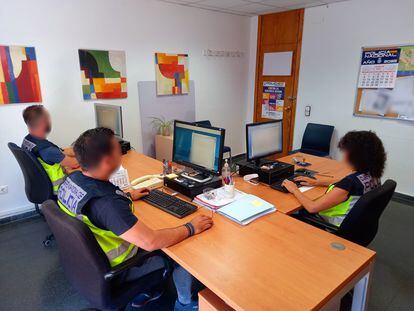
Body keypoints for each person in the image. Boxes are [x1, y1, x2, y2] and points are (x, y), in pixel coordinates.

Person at [57, 127, 213, 310]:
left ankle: (149, 291)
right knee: (180, 250)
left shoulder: (73, 179)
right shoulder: (107, 204)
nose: (122, 152)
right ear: (107, 160)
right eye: (118, 149)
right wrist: (190, 227)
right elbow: (151, 242)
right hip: (120, 268)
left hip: (87, 263)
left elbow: (96, 208)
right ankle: (184, 303)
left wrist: (126, 196)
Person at [282, 130, 386, 226]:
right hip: (358, 224)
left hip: (333, 224)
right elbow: (344, 183)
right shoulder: (372, 174)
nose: (343, 155)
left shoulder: (349, 183)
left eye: (345, 151)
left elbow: (312, 208)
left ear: (355, 156)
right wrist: (317, 182)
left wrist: (294, 189)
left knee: (289, 213)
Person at [21, 105, 79, 194]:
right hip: (58, 188)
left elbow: (59, 152)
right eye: (48, 118)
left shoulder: (28, 140)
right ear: (43, 123)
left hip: (39, 185)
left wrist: (73, 150)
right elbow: (75, 163)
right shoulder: (48, 150)